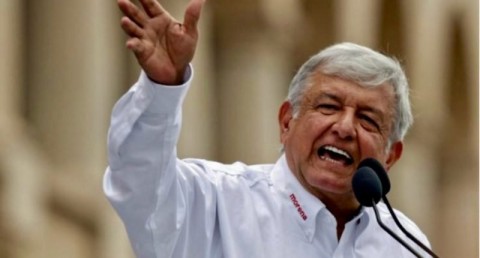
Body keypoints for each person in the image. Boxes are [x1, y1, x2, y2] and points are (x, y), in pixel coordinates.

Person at [104, 0, 431, 257]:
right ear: (287, 121)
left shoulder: (403, 244)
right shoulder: (217, 201)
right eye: (328, 106)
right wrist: (162, 89)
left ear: (390, 156)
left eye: (368, 120)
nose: (345, 127)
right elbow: (139, 181)